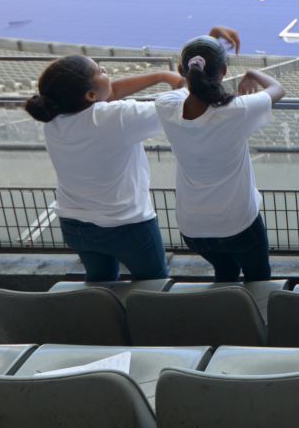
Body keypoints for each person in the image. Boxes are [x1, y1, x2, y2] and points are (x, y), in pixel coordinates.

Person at [26, 53, 188, 282]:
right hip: (127, 226)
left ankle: (104, 317)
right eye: (101, 71)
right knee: (154, 284)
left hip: (75, 224)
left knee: (100, 281)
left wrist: (161, 75)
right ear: (90, 94)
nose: (107, 74)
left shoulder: (53, 118)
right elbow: (178, 104)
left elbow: (105, 94)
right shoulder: (116, 117)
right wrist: (184, 82)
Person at [156, 34, 283, 281]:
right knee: (258, 278)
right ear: (224, 71)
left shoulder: (166, 105)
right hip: (238, 222)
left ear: (183, 70)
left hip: (193, 227)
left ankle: (224, 314)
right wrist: (252, 73)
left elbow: (189, 88)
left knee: (225, 272)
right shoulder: (236, 110)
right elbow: (278, 89)